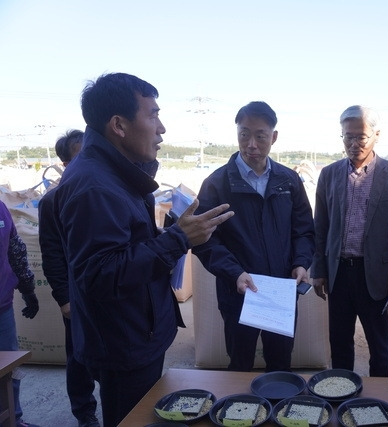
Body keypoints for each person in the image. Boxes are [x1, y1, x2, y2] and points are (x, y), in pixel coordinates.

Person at [51, 72, 234, 427]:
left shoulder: (116, 173)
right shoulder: (94, 186)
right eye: (152, 115)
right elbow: (101, 274)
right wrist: (178, 239)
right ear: (118, 125)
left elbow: (128, 245)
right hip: (123, 343)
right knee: (130, 419)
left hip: (136, 332)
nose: (161, 128)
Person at [192, 101, 315, 372]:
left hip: (281, 291)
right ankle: (241, 413)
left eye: (260, 136)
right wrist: (234, 272)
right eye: (244, 134)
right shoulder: (217, 183)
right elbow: (205, 241)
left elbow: (304, 229)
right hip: (239, 291)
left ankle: (277, 410)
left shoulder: (289, 180)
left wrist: (301, 262)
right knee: (240, 364)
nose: (251, 144)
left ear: (273, 137)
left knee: (281, 363)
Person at [311, 105, 388, 377]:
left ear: (376, 136)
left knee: (379, 344)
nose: (354, 144)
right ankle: (340, 393)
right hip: (338, 272)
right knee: (340, 341)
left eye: (361, 137)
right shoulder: (329, 175)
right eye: (347, 137)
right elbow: (320, 226)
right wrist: (318, 270)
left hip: (375, 273)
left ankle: (380, 400)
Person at [39, 130, 101, 427]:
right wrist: (64, 298)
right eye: (81, 155)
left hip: (107, 293)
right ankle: (84, 411)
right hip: (76, 297)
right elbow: (51, 255)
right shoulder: (52, 202)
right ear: (66, 164)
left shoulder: (105, 192)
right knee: (78, 358)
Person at [0, 200, 40, 427]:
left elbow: (14, 249)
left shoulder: (1, 208)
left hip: (2, 308)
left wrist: (28, 289)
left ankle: (12, 420)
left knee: (9, 369)